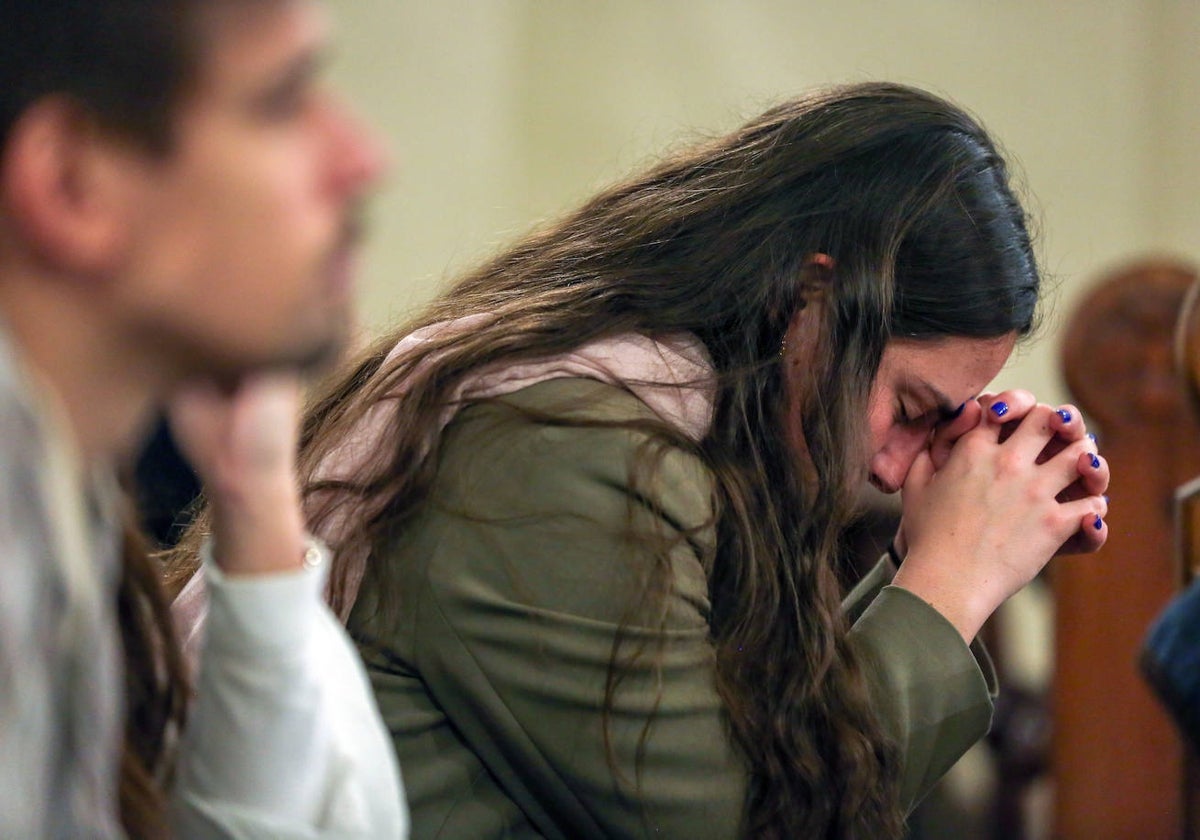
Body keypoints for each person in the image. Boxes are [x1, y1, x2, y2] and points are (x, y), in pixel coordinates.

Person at [172, 81, 1111, 839]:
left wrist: (921, 559)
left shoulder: (647, 418)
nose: (903, 465)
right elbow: (729, 822)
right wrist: (951, 586)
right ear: (810, 300)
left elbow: (782, 760)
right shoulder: (563, 443)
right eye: (908, 409)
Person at [0, 0, 407, 837]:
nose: (364, 160)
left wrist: (257, 495)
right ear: (73, 184)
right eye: (283, 101)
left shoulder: (54, 483)